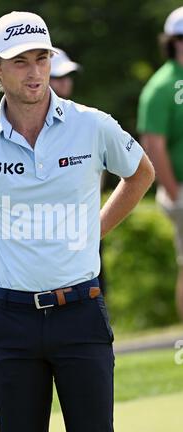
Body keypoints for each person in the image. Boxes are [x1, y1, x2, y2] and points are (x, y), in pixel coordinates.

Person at [0, 11, 155, 432]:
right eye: (21, 61)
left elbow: (140, 174)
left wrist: (95, 228)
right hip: (12, 321)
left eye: (42, 58)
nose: (35, 71)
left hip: (81, 313)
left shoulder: (92, 125)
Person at [137, 7, 183, 321]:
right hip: (180, 188)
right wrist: (175, 193)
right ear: (173, 42)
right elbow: (153, 145)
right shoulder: (161, 86)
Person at [50, 49, 106, 295]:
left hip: (85, 219)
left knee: (96, 290)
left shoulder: (85, 120)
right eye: (58, 77)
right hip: (50, 228)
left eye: (68, 77)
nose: (65, 83)